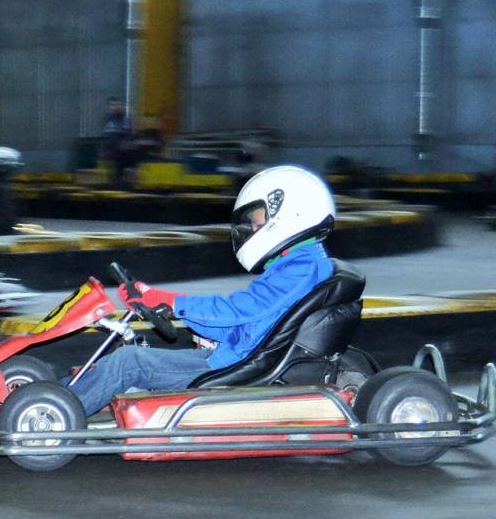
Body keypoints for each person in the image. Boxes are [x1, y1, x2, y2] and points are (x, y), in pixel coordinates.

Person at [63, 164, 338, 413]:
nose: (253, 226)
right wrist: (174, 311)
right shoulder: (303, 263)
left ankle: (55, 410)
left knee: (129, 362)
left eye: (258, 219)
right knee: (127, 358)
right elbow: (245, 324)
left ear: (289, 213)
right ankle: (55, 395)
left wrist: (173, 302)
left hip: (235, 365)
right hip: (239, 355)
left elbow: (241, 310)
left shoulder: (301, 268)